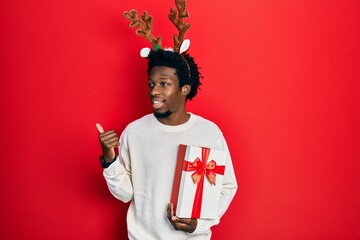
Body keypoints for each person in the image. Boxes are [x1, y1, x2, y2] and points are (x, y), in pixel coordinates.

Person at [96, 2, 237, 239]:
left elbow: (226, 187)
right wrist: (110, 161)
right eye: (151, 84)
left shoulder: (209, 132)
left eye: (164, 84)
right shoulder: (135, 132)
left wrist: (199, 225)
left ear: (184, 89)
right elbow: (125, 194)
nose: (154, 91)